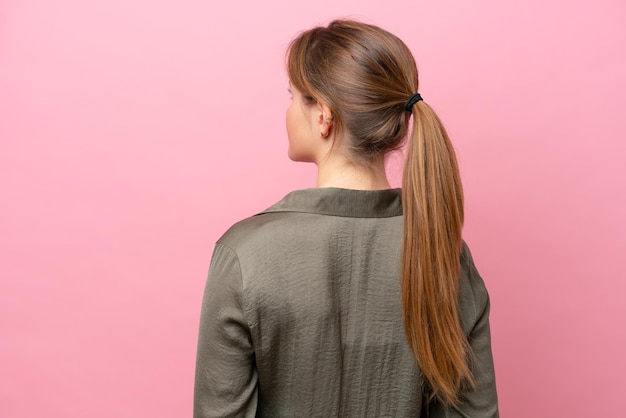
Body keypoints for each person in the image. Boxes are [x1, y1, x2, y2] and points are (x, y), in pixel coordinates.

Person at [194, 19, 498, 417]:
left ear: (322, 114)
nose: (287, 111)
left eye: (293, 96)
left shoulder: (244, 254)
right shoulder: (446, 254)